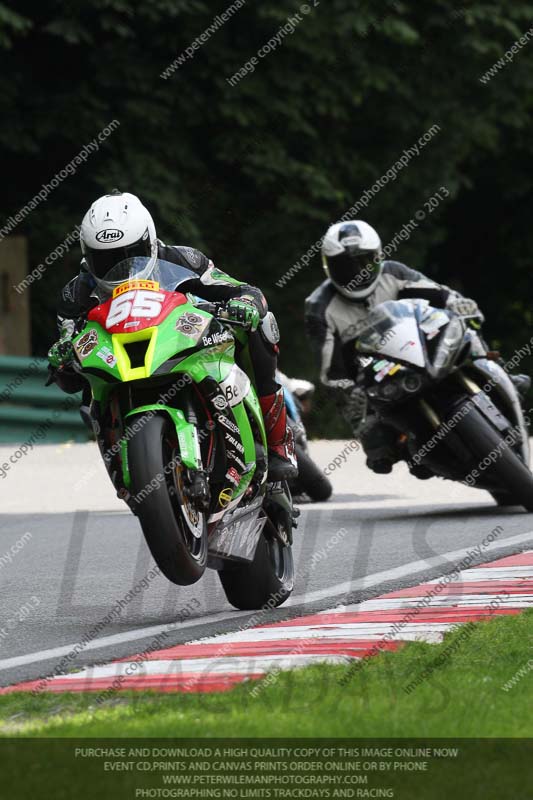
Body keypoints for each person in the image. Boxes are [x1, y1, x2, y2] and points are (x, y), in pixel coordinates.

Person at [48, 190, 296, 479]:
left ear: (150, 242)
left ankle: (278, 443)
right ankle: (124, 462)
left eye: (131, 256)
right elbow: (67, 353)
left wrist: (245, 303)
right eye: (106, 260)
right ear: (88, 256)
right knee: (83, 388)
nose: (121, 267)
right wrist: (61, 356)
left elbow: (243, 290)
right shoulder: (74, 294)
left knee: (262, 324)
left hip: (181, 341)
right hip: (119, 364)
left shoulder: (183, 259)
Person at [305, 219, 530, 474]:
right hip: (374, 378)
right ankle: (411, 448)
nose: (357, 272)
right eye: (345, 266)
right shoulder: (319, 307)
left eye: (364, 262)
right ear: (329, 266)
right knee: (377, 445)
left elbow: (440, 294)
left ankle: (502, 373)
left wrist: (457, 303)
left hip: (419, 346)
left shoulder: (393, 272)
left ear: (378, 256)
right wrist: (347, 389)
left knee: (463, 327)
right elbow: (330, 370)